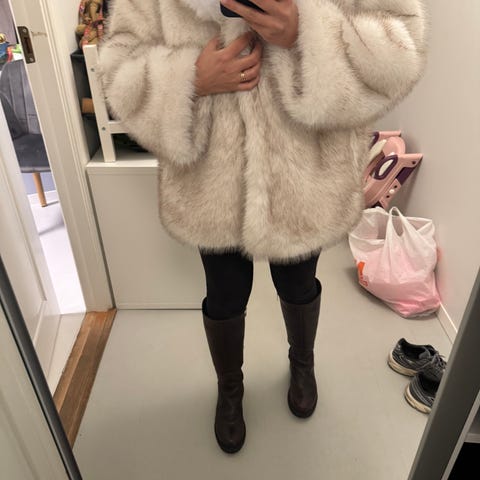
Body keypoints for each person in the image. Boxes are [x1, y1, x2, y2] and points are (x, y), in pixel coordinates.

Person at [98, 0, 428, 454]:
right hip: (211, 175)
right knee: (224, 292)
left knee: (298, 282)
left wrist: (306, 33)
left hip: (306, 167)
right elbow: (118, 65)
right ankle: (230, 389)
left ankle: (302, 363)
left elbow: (400, 47)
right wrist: (190, 79)